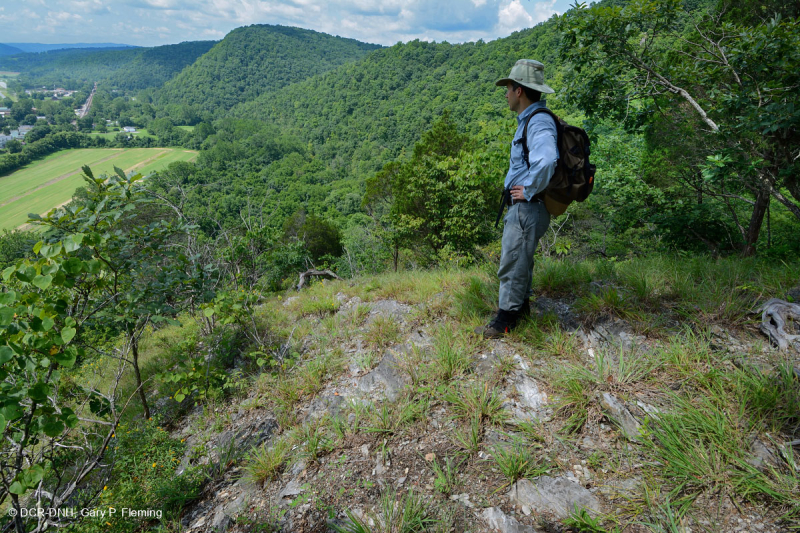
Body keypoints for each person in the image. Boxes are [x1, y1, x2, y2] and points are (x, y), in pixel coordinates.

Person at [476, 59, 558, 338]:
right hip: (527, 207)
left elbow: (546, 159)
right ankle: (520, 311)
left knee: (511, 261)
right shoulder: (532, 120)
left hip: (527, 207)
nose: (506, 93)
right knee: (521, 260)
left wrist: (529, 189)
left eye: (508, 88)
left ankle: (505, 321)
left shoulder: (538, 122)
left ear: (519, 91)